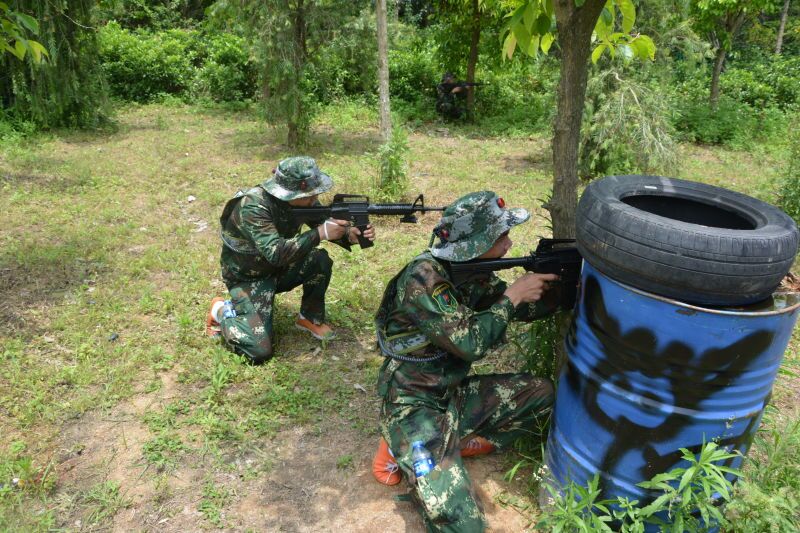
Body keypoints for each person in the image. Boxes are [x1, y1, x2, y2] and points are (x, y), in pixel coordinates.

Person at [371, 191, 559, 532]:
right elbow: (470, 341)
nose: (509, 241)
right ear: (477, 243)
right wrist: (513, 295)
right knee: (465, 525)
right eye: (502, 235)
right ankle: (403, 445)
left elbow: (522, 309)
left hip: (452, 393)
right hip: (414, 404)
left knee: (542, 393)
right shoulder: (423, 280)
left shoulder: (472, 272)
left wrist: (557, 286)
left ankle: (452, 442)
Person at [206, 156, 376, 364]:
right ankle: (221, 310)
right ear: (292, 193)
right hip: (249, 278)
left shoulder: (304, 203)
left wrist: (349, 234)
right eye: (310, 194)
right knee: (258, 350)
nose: (315, 198)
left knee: (318, 260)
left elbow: (324, 223)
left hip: (280, 269)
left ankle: (309, 318)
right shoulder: (253, 207)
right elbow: (276, 253)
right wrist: (320, 233)